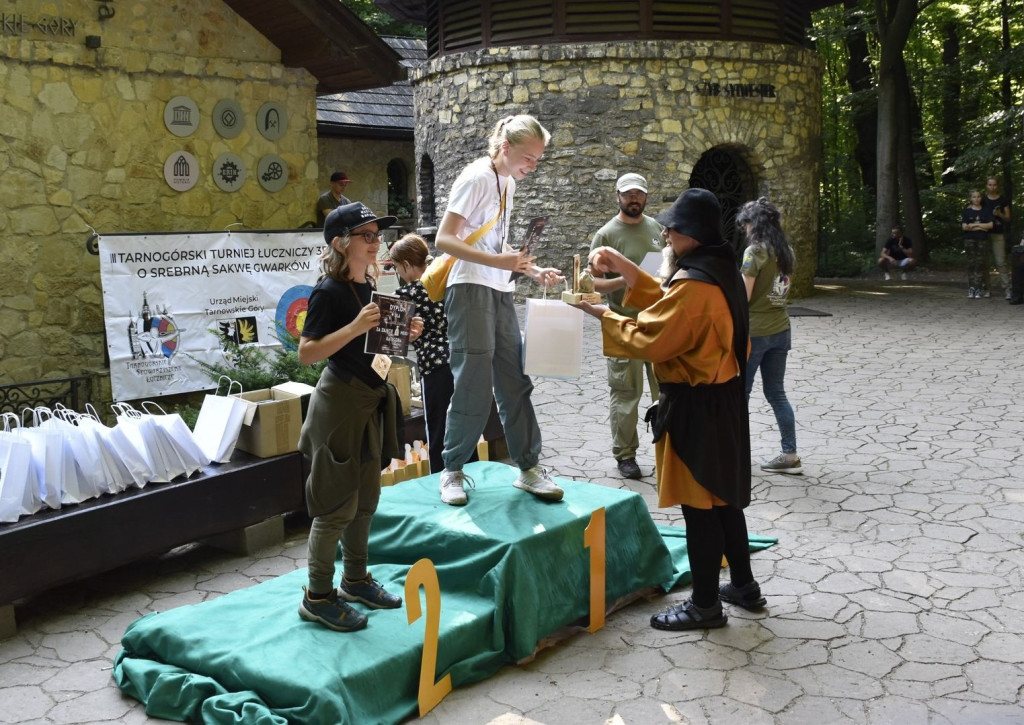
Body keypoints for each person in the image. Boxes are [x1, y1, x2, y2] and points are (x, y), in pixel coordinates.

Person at [578, 188, 764, 631]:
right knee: (723, 501)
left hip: (697, 406)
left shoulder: (696, 284)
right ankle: (743, 586)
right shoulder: (721, 270)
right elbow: (666, 299)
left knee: (700, 506)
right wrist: (624, 268)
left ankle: (704, 606)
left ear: (690, 235)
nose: (666, 234)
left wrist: (603, 314)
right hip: (724, 399)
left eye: (672, 229)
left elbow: (654, 336)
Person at [296, 201, 423, 632]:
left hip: (370, 400)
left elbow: (377, 347)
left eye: (377, 235)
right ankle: (317, 596)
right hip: (339, 404)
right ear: (341, 242)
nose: (376, 242)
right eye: (367, 236)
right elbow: (307, 353)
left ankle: (354, 580)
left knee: (367, 501)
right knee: (335, 507)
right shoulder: (328, 291)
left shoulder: (370, 286)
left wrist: (404, 330)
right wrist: (354, 327)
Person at [433, 114, 564, 506]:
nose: (532, 166)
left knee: (514, 379)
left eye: (537, 160)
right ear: (505, 148)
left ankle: (528, 468)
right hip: (469, 288)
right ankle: (452, 470)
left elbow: (496, 249)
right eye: (529, 157)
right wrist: (500, 264)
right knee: (473, 381)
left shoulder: (506, 181)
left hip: (498, 288)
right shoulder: (475, 177)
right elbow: (444, 239)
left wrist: (531, 268)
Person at [588, 173, 663, 480]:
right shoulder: (605, 236)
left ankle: (669, 449)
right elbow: (592, 285)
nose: (635, 199)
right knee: (626, 394)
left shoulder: (657, 229)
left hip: (659, 323)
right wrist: (628, 277)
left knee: (667, 391)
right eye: (629, 194)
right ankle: (626, 456)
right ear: (617, 195)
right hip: (623, 324)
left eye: (640, 194)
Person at [737, 197, 801, 475]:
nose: (745, 230)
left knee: (740, 395)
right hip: (780, 329)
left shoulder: (755, 252)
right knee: (776, 393)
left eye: (746, 224)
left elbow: (744, 297)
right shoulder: (786, 251)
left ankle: (735, 456)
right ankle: (790, 455)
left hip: (754, 332)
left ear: (754, 224)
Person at [389, 233, 456, 474]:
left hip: (433, 367)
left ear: (406, 265)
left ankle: (441, 479)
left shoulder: (406, 295)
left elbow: (391, 339)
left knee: (437, 432)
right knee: (461, 427)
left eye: (397, 267)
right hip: (459, 360)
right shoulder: (447, 281)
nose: (399, 273)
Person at [981, 176, 1012, 299]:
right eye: (990, 185)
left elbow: (1008, 218)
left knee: (1001, 262)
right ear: (986, 186)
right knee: (985, 263)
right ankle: (987, 289)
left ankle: (1007, 289)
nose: (992, 187)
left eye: (994, 185)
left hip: (998, 233)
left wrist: (999, 214)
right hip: (983, 234)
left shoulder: (1003, 199)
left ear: (997, 186)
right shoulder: (982, 199)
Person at [962, 190, 993, 299]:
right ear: (970, 198)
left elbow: (990, 225)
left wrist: (975, 226)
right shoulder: (967, 211)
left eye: (978, 196)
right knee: (971, 264)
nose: (976, 199)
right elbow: (965, 226)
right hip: (969, 240)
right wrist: (980, 227)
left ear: (981, 198)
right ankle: (971, 288)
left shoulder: (986, 211)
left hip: (982, 240)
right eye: (974, 197)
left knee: (980, 264)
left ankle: (979, 288)